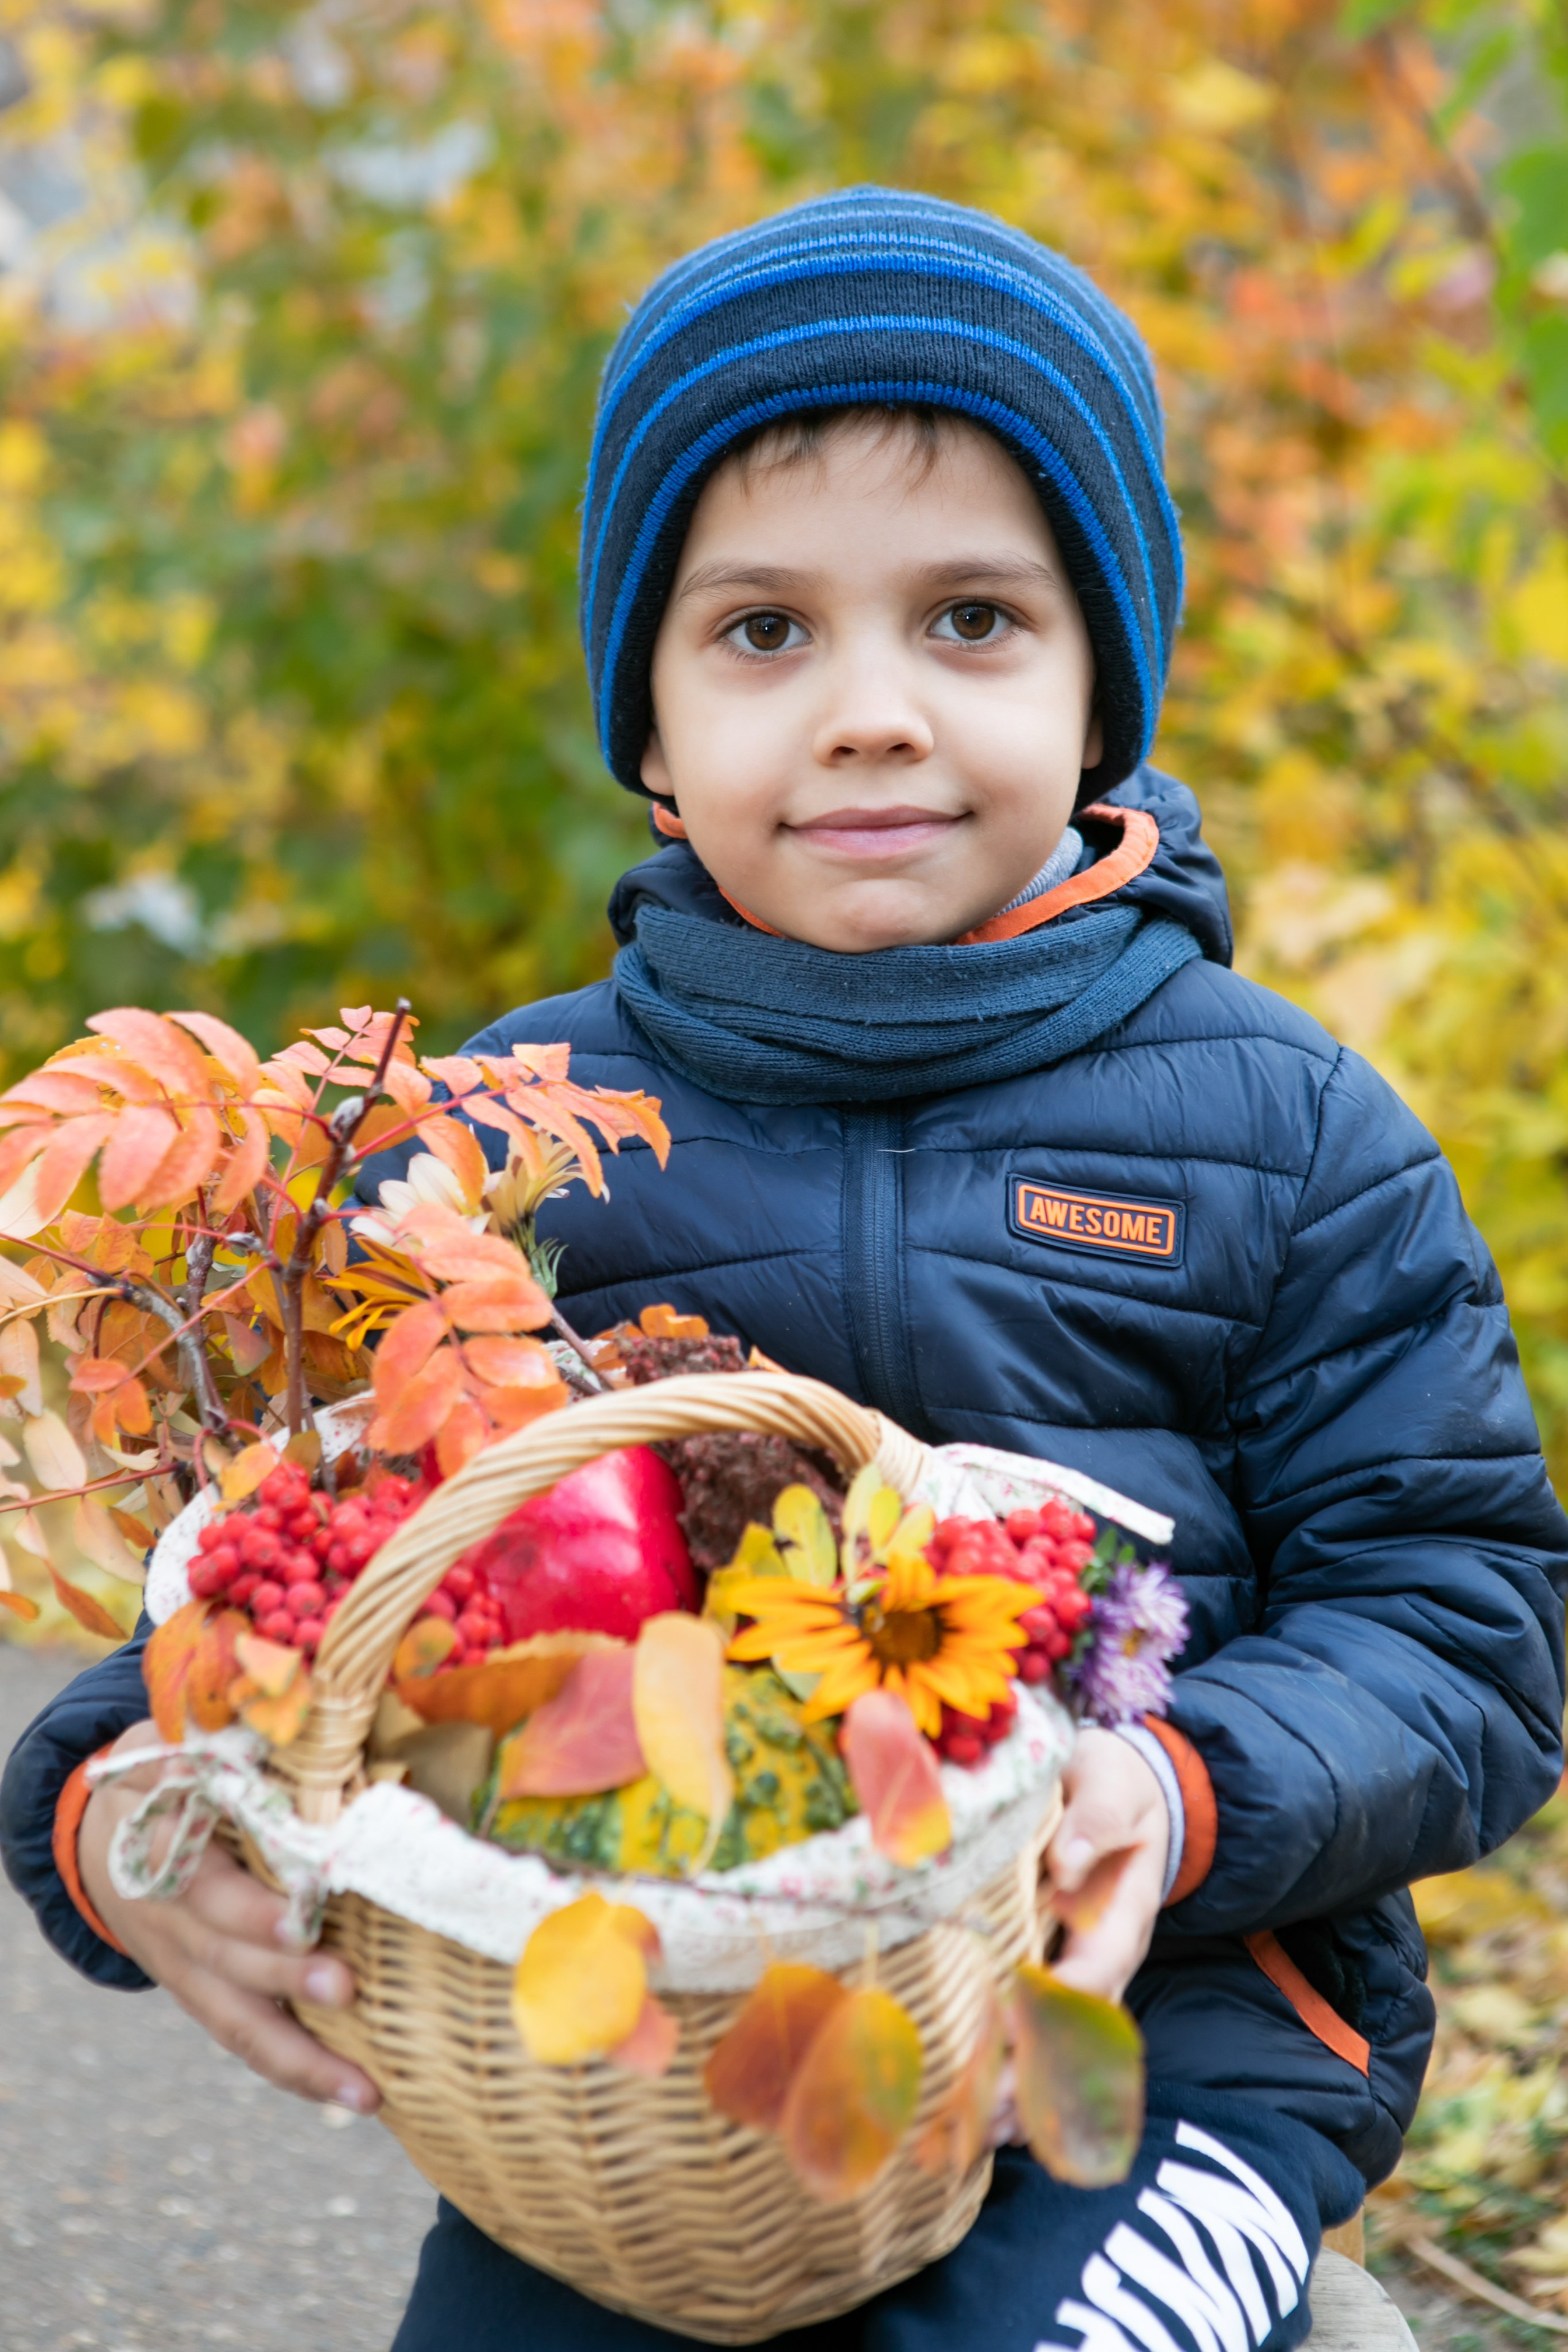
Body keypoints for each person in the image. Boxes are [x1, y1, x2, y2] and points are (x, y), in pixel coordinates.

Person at [4, 187, 1565, 2352]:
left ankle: (1310, 2307)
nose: (868, 715)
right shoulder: (494, 1139)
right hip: (651, 2062)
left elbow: (1464, 1622)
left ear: (1103, 677)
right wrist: (115, 1814)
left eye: (972, 623)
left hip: (1156, 2036)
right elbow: (281, 1546)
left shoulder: (1286, 1132)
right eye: (761, 633)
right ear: (642, 721)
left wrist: (1176, 1790)